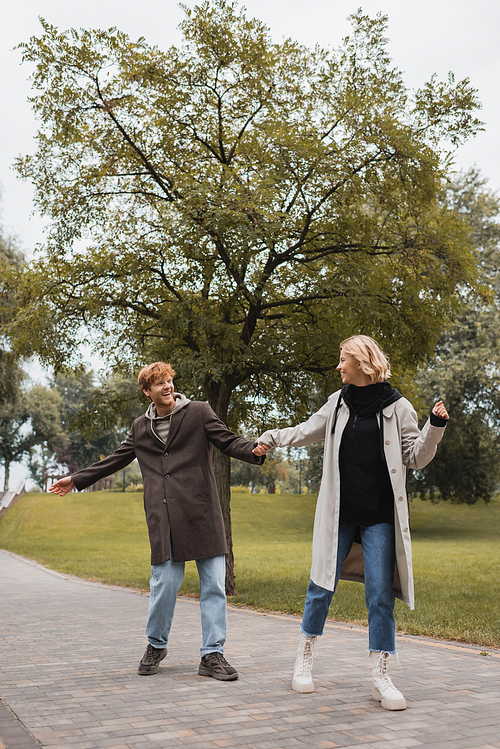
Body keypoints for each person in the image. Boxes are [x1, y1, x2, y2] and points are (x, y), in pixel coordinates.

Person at [253, 335, 448, 710]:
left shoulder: (399, 407)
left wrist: (434, 427)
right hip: (339, 515)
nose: (339, 366)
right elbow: (306, 430)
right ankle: (304, 659)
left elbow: (415, 457)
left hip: (378, 518)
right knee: (320, 587)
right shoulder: (337, 403)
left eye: (343, 360)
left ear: (362, 362)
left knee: (379, 595)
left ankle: (381, 674)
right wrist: (272, 438)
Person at [49, 362, 265, 682]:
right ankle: (156, 644)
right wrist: (76, 479)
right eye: (158, 383)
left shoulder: (199, 412)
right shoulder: (140, 427)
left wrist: (254, 450)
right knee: (163, 586)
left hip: (203, 513)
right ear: (146, 391)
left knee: (214, 586)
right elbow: (115, 460)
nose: (166, 386)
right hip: (163, 518)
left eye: (169, 380)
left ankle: (212, 654)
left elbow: (228, 440)